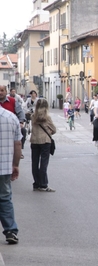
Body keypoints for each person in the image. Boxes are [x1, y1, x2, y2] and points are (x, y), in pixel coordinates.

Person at [0, 106, 22, 244]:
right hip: (4, 167)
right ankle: (10, 231)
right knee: (5, 199)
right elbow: (18, 143)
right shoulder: (11, 117)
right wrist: (16, 165)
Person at [30, 98, 57, 192]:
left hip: (34, 141)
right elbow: (54, 129)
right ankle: (43, 184)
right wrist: (49, 131)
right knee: (43, 163)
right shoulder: (47, 117)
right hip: (45, 141)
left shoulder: (33, 116)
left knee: (34, 163)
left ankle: (36, 183)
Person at [0, 85, 26, 159]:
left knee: (23, 131)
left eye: (2, 90)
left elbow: (20, 113)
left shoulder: (13, 101)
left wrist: (21, 122)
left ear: (6, 92)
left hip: (10, 126)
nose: (0, 93)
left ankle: (19, 150)